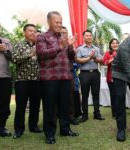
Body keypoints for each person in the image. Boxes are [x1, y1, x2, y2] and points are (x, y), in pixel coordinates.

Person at [36, 11, 78, 144]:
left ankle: (65, 129)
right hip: (49, 78)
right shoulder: (42, 37)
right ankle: (49, 133)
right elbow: (42, 54)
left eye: (61, 22)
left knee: (64, 104)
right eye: (56, 22)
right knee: (50, 106)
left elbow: (71, 57)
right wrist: (60, 46)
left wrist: (71, 47)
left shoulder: (63, 37)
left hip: (65, 76)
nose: (59, 25)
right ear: (49, 22)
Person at [11, 24, 42, 139]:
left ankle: (33, 126)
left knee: (35, 105)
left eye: (34, 31)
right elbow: (14, 59)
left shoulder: (40, 46)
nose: (33, 33)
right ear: (24, 32)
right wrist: (30, 54)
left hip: (37, 80)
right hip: (22, 80)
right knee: (21, 106)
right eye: (30, 31)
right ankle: (19, 129)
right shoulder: (18, 44)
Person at [76, 29, 105, 123]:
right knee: (85, 94)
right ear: (83, 37)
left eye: (90, 35)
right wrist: (89, 58)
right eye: (87, 35)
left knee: (96, 94)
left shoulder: (96, 48)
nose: (89, 37)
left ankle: (97, 113)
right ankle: (85, 115)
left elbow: (101, 60)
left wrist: (95, 57)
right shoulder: (79, 49)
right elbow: (78, 60)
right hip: (84, 74)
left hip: (96, 73)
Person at [0, 16, 13, 140]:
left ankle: (1, 128)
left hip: (5, 76)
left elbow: (13, 57)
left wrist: (5, 50)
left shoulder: (5, 40)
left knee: (4, 103)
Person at [60, 26, 79, 125]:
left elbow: (72, 57)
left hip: (69, 73)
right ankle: (57, 118)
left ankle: (71, 117)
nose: (63, 34)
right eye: (62, 32)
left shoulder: (70, 44)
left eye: (65, 32)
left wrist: (71, 46)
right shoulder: (55, 43)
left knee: (70, 97)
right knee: (57, 97)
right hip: (56, 74)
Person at [103, 38, 119, 118]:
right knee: (113, 95)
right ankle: (115, 114)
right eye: (113, 43)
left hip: (120, 77)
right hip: (111, 78)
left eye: (116, 43)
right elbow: (105, 63)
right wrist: (112, 59)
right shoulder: (107, 53)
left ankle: (120, 112)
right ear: (110, 45)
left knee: (120, 95)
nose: (115, 44)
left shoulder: (122, 52)